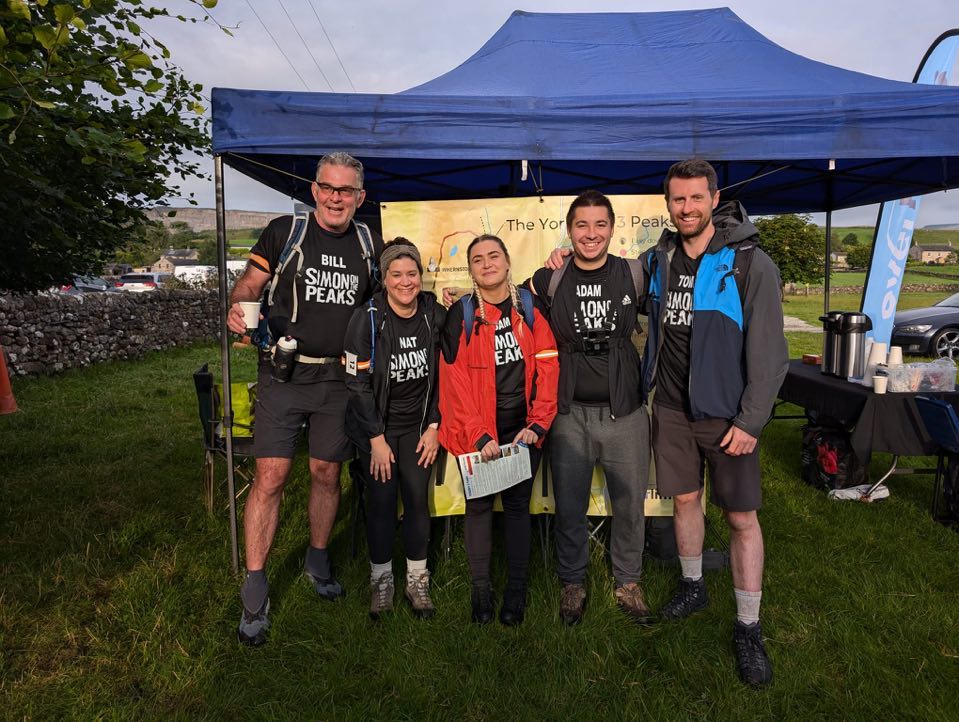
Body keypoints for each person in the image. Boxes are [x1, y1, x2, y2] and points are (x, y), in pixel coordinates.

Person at [226, 152, 383, 646]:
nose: (337, 198)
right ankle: (255, 584)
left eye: (347, 191)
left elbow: (390, 298)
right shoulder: (283, 231)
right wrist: (237, 310)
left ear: (360, 197)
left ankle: (317, 559)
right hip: (283, 374)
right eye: (329, 188)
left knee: (326, 472)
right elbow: (249, 286)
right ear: (315, 191)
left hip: (340, 378)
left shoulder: (368, 242)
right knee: (271, 475)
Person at [642, 158, 787, 687]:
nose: (686, 208)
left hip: (728, 416)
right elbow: (617, 287)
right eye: (678, 200)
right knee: (684, 500)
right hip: (673, 411)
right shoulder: (659, 258)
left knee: (742, 519)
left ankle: (748, 625)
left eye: (696, 198)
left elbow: (772, 356)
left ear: (714, 197)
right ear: (669, 203)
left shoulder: (750, 262)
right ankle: (693, 584)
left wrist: (751, 420)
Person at [529, 191, 653, 626]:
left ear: (613, 229)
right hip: (569, 414)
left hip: (626, 411)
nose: (591, 234)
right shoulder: (549, 280)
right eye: (582, 225)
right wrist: (454, 300)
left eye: (600, 225)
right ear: (569, 229)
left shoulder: (634, 274)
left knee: (629, 503)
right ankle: (573, 582)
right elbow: (504, 303)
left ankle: (628, 580)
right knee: (569, 504)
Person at [440, 234, 559, 626]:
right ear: (471, 270)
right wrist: (479, 435)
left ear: (507, 263)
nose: (487, 263)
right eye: (478, 259)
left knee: (516, 509)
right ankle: (480, 594)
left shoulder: (529, 307)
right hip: (477, 433)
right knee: (477, 508)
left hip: (522, 432)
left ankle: (516, 593)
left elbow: (548, 368)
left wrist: (537, 426)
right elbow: (452, 381)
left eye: (494, 256)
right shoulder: (461, 314)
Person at [343, 239, 446, 620]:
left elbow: (443, 375)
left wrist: (434, 425)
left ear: (421, 276)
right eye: (397, 275)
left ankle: (417, 581)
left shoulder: (432, 314)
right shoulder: (367, 319)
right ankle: (381, 581)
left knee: (418, 501)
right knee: (383, 502)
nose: (406, 282)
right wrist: (375, 440)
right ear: (384, 279)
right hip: (378, 429)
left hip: (418, 429)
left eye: (412, 273)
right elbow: (356, 383)